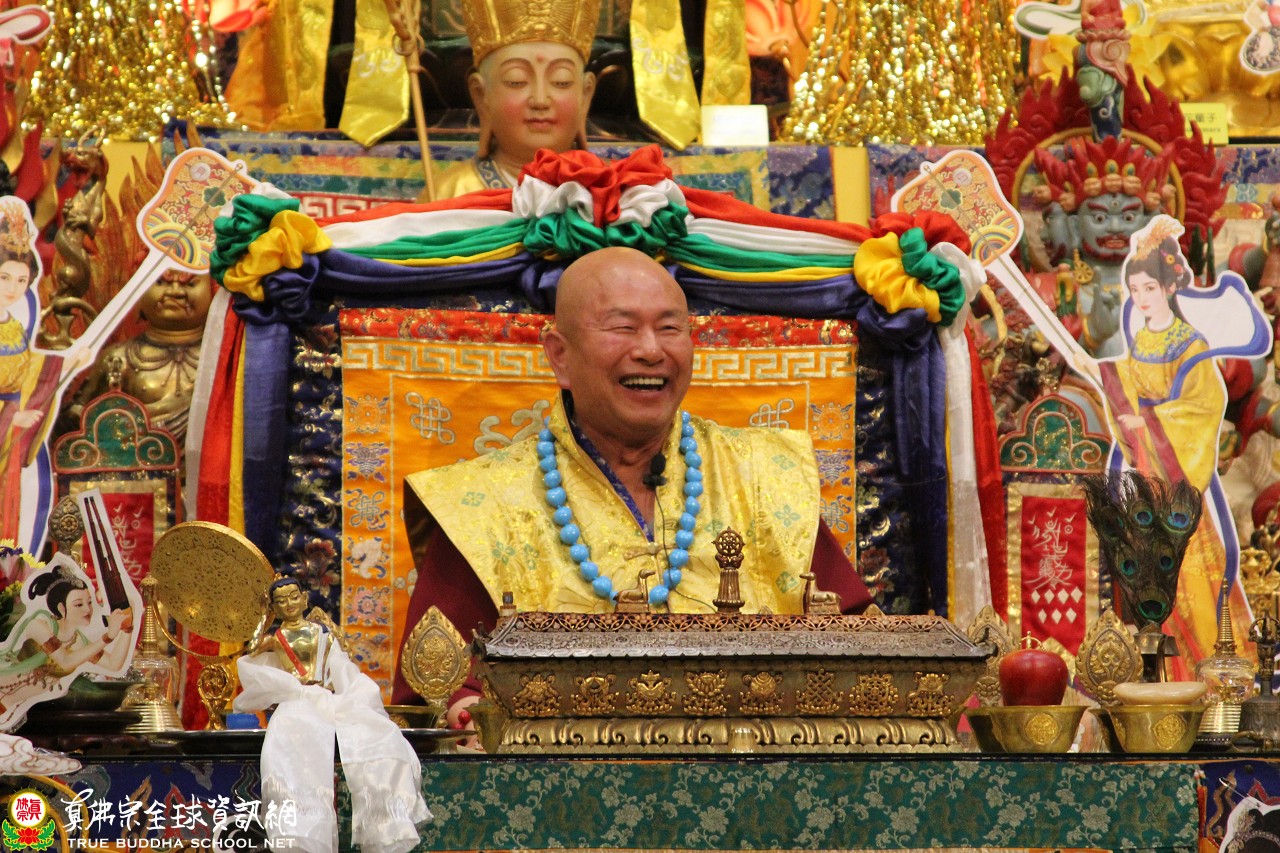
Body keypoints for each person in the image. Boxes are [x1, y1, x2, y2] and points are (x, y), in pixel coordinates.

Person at [392, 247, 872, 719]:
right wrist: (464, 714)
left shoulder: (765, 475)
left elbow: (864, 646)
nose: (650, 350)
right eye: (623, 328)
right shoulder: (482, 504)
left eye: (670, 328)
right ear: (560, 356)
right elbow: (435, 687)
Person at [1077, 216, 1266, 678]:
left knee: (1186, 573)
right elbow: (1127, 386)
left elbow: (1203, 405)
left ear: (1168, 287)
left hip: (1175, 477)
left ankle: (1206, 673)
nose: (1142, 298)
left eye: (1149, 288)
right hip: (1143, 472)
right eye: (1135, 290)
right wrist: (1099, 371)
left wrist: (1149, 420)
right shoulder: (1142, 339)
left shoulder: (1189, 343)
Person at [234, 576, 430, 853]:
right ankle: (303, 829)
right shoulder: (275, 638)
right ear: (274, 608)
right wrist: (263, 619)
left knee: (380, 734)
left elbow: (340, 668)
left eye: (294, 597)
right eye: (280, 602)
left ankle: (383, 820)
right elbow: (251, 650)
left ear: (304, 599)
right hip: (295, 704)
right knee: (289, 752)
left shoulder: (321, 632)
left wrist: (347, 694)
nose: (289, 604)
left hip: (327, 698)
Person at [428, 0, 599, 199]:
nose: (540, 101)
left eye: (561, 81)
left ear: (585, 94)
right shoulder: (450, 193)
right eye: (516, 81)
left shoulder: (612, 193)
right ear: (481, 95)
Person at [0, 199, 86, 544]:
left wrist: (69, 360)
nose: (13, 288)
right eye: (4, 277)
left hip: (10, 444)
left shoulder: (13, 326)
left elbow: (31, 369)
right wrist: (10, 416)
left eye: (21, 280)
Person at [68, 270, 214, 449]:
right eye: (160, 283)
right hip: (134, 463)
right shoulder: (118, 358)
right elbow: (80, 423)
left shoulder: (226, 357)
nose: (175, 292)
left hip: (209, 463)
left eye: (190, 284)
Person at [0, 563, 134, 730]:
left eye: (89, 602)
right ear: (61, 608)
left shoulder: (78, 642)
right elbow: (64, 661)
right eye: (79, 604)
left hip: (12, 710)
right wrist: (107, 637)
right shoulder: (40, 624)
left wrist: (128, 627)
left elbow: (114, 664)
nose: (87, 609)